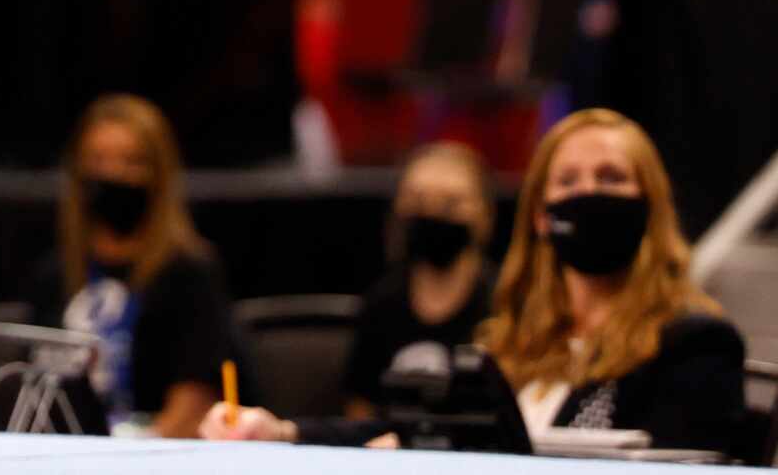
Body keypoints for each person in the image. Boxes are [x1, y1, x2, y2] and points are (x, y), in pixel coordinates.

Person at [205, 110, 746, 454]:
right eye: (568, 180)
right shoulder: (518, 337)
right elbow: (408, 430)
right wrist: (281, 432)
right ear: (539, 214)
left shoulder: (691, 343)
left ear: (649, 207)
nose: (588, 193)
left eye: (610, 178)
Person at [24, 94, 240, 438]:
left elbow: (193, 404)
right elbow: (33, 389)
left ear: (159, 175)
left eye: (131, 162)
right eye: (98, 161)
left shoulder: (189, 272)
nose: (112, 176)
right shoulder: (55, 273)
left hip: (157, 455)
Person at [340, 142, 499, 419]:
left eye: (451, 203)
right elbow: (359, 412)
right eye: (417, 201)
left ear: (484, 214)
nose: (433, 213)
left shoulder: (507, 302)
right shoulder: (381, 303)